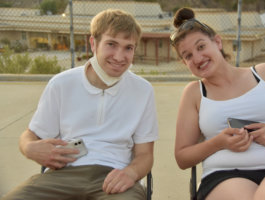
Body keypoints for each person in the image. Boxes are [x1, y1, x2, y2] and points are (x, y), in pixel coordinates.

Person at [3, 9, 158, 200]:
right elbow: (31, 134)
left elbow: (145, 155)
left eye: (128, 48)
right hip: (63, 175)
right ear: (93, 43)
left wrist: (131, 173)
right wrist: (28, 147)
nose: (119, 56)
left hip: (114, 176)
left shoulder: (143, 90)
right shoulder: (61, 84)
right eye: (111, 44)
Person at [172, 7, 265, 200]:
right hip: (224, 174)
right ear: (185, 63)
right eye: (188, 56)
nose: (197, 58)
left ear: (217, 42)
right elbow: (182, 157)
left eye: (201, 47)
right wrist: (218, 142)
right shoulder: (194, 93)